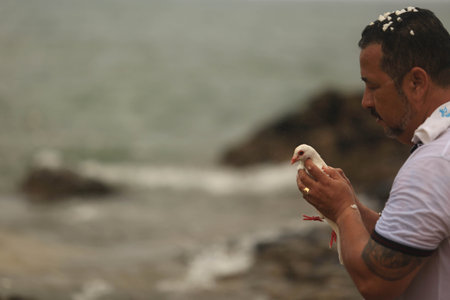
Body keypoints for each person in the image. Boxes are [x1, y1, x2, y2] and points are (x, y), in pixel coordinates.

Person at [296, 7, 450, 300]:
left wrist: (344, 211)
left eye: (373, 86)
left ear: (416, 82)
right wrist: (354, 207)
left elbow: (377, 282)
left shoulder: (433, 165)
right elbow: (417, 236)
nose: (366, 102)